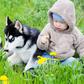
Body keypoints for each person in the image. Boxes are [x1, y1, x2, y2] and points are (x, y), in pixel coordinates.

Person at [37, 0, 84, 65]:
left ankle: (70, 64)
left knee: (74, 63)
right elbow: (41, 46)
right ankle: (32, 69)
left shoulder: (74, 32)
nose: (58, 24)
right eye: (55, 21)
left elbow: (81, 44)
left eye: (61, 22)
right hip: (50, 55)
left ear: (69, 22)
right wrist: (43, 41)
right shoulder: (49, 28)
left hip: (66, 57)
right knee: (40, 62)